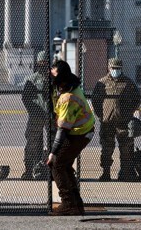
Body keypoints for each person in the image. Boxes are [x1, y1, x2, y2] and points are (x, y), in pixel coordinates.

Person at [47, 60, 95, 216]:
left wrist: (53, 152)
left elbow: (63, 130)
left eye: (53, 76)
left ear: (61, 78)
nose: (51, 79)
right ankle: (76, 203)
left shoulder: (69, 98)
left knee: (57, 164)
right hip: (80, 131)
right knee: (65, 165)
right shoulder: (69, 87)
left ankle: (69, 204)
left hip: (79, 133)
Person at [91, 57, 140, 181]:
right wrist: (100, 115)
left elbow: (136, 99)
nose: (115, 70)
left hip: (123, 123)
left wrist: (129, 113)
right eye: (113, 68)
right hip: (107, 122)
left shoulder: (128, 83)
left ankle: (125, 173)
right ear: (109, 68)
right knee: (106, 149)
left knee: (126, 149)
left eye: (118, 68)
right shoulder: (102, 83)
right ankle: (106, 172)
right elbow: (95, 100)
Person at [21, 51, 50, 180]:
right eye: (40, 62)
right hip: (36, 115)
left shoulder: (55, 78)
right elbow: (25, 98)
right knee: (31, 142)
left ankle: (51, 168)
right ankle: (28, 169)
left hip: (51, 115)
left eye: (45, 62)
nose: (43, 64)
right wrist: (34, 110)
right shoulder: (32, 79)